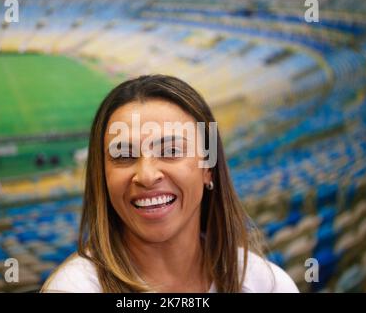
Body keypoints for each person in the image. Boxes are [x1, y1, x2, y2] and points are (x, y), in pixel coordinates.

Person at [41, 75, 299, 293]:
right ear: (102, 177)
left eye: (171, 150)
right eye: (123, 155)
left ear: (208, 167)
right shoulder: (72, 287)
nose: (147, 175)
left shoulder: (268, 284)